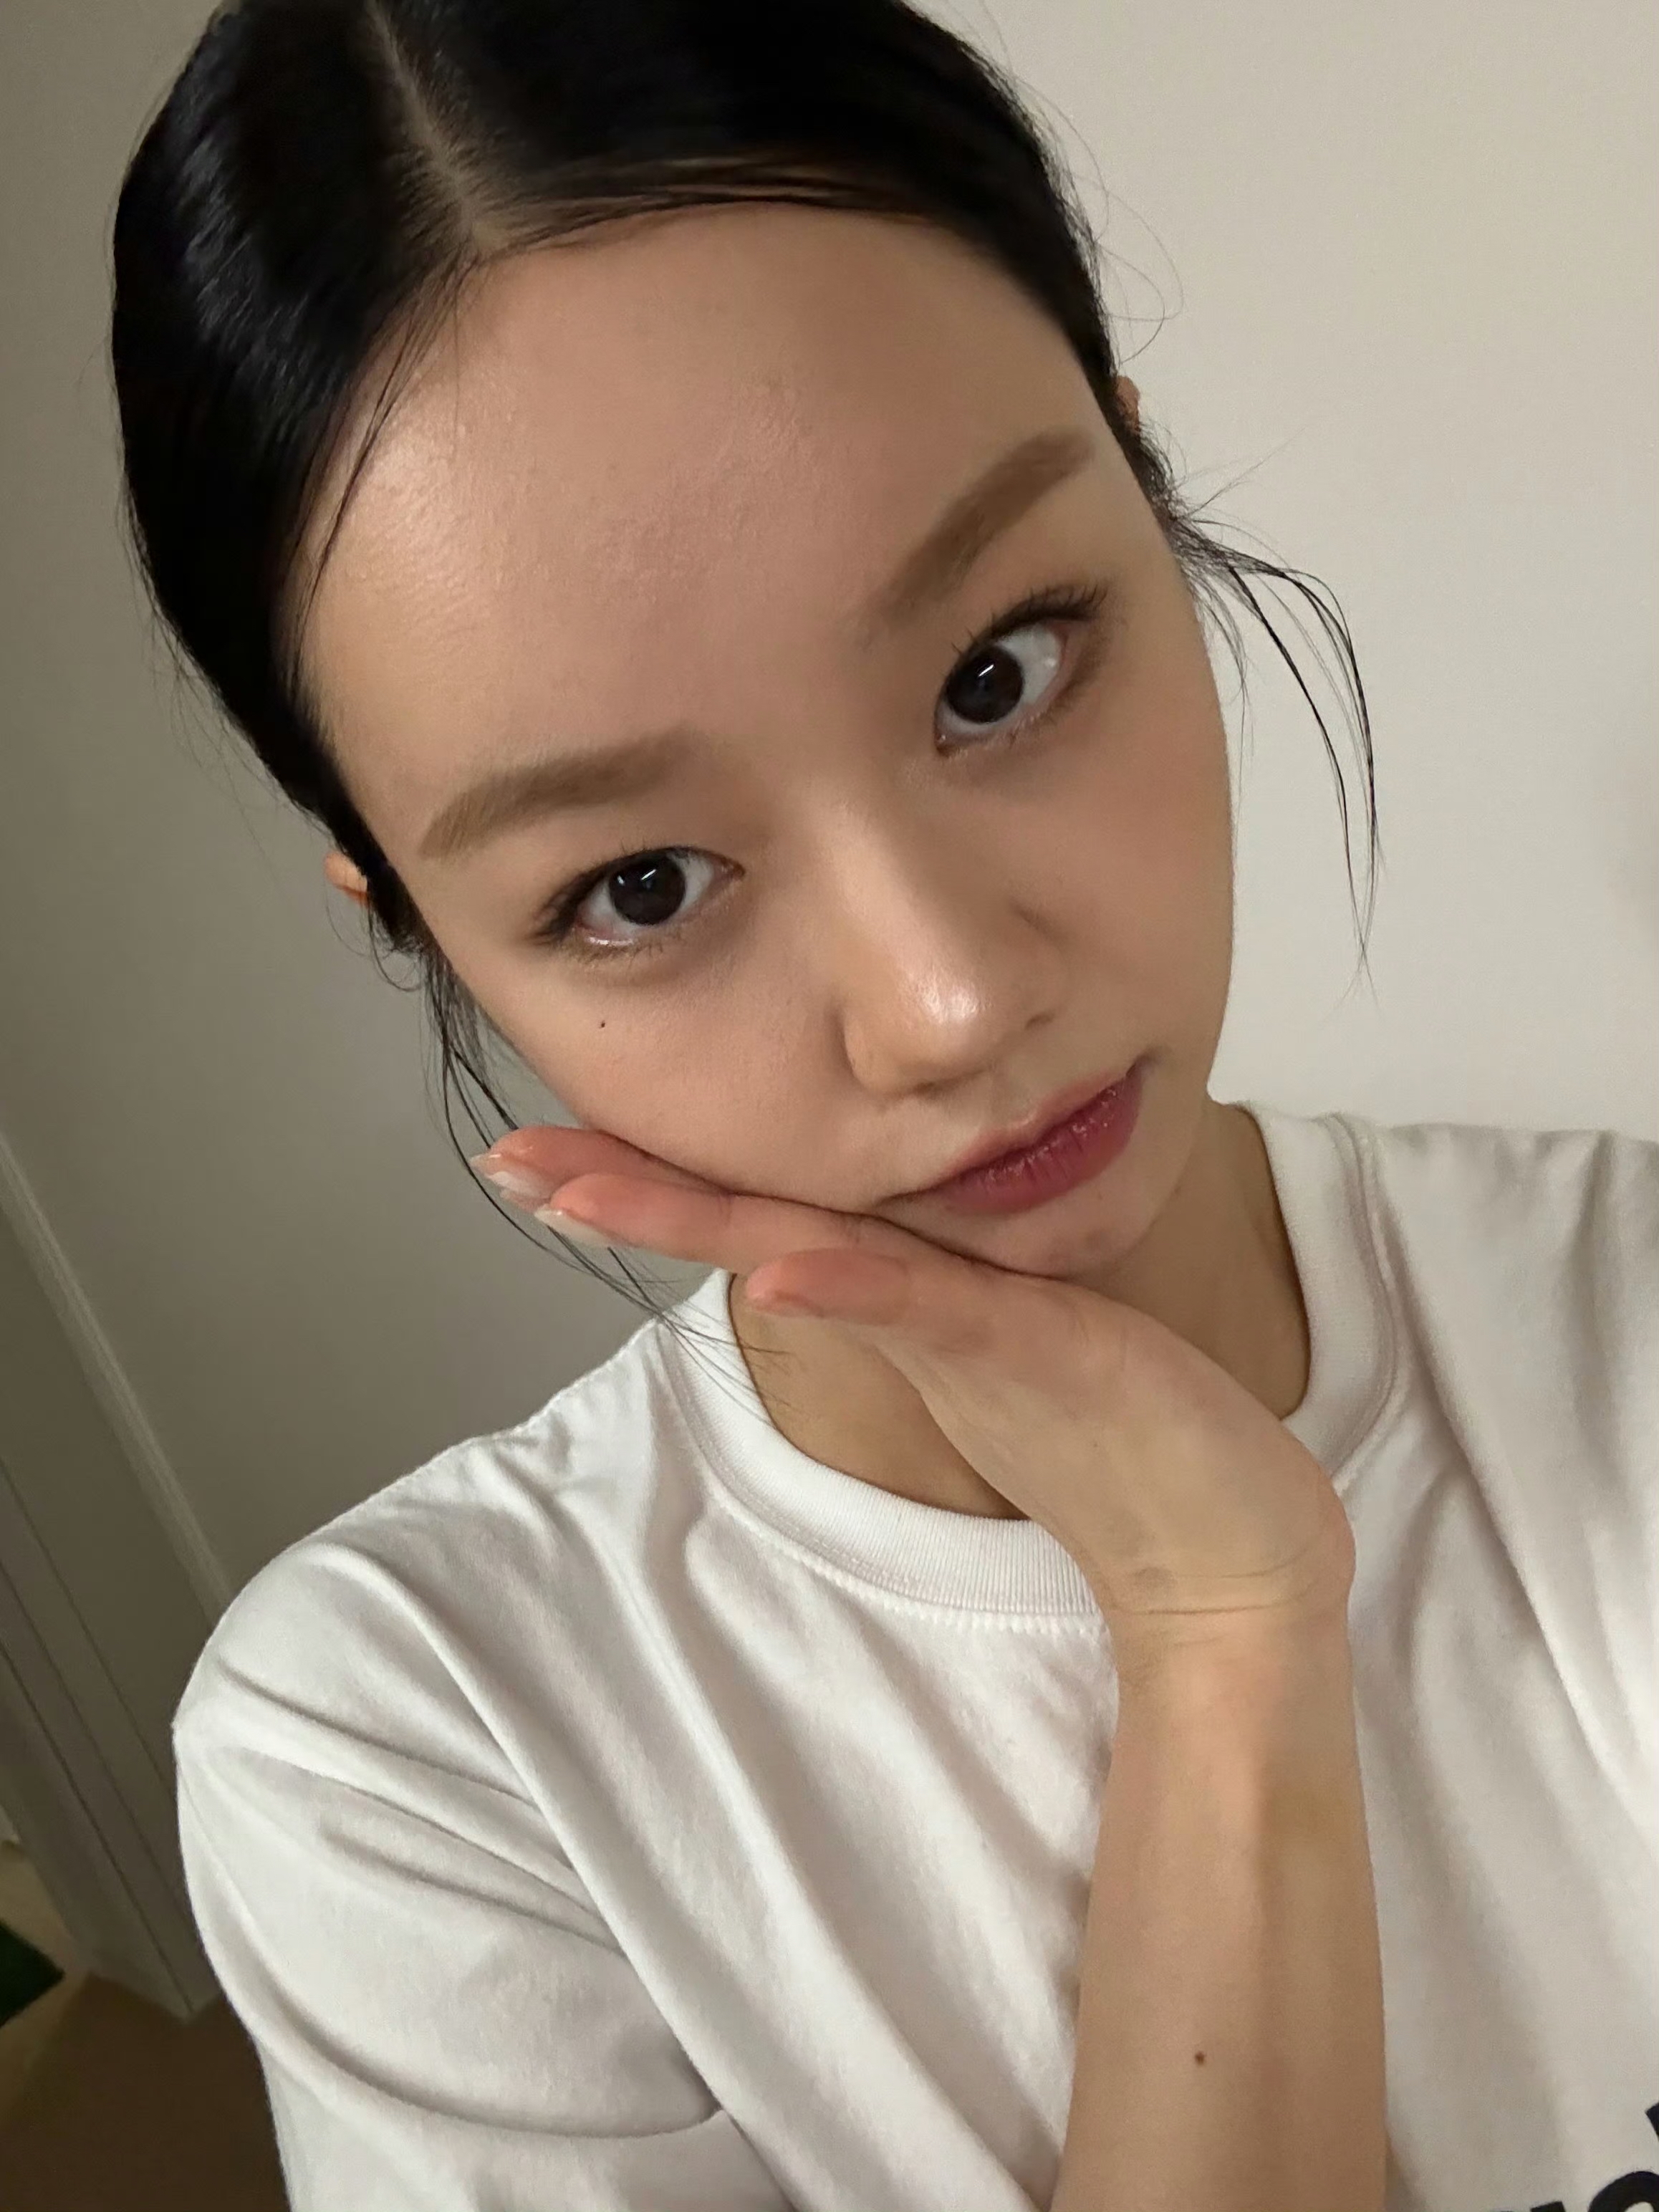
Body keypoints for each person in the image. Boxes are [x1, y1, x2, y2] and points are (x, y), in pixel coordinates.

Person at [109, 3, 1658, 2209]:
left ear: (1142, 494)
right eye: (643, 885)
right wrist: (1217, 1636)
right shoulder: (410, 1759)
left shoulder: (1626, 1311)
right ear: (421, 922)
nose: (946, 1003)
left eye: (994, 673)